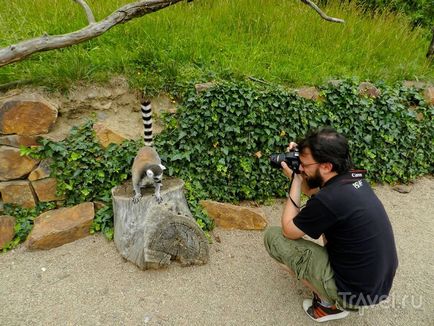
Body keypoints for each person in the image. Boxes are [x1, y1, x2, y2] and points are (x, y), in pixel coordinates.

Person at [264, 126, 398, 323]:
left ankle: (330, 305)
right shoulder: (352, 178)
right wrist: (302, 156)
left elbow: (289, 230)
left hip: (354, 294)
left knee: (274, 237)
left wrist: (295, 180)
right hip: (378, 284)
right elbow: (316, 195)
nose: (301, 167)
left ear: (326, 166)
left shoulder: (330, 199)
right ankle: (335, 292)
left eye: (304, 164)